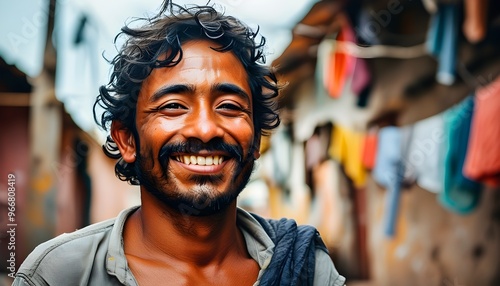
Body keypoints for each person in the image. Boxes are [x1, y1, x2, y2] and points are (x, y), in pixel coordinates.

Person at [13, 1, 345, 285]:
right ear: (127, 139)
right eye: (173, 106)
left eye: (229, 107)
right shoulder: (58, 274)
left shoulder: (307, 269)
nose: (205, 129)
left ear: (256, 139)